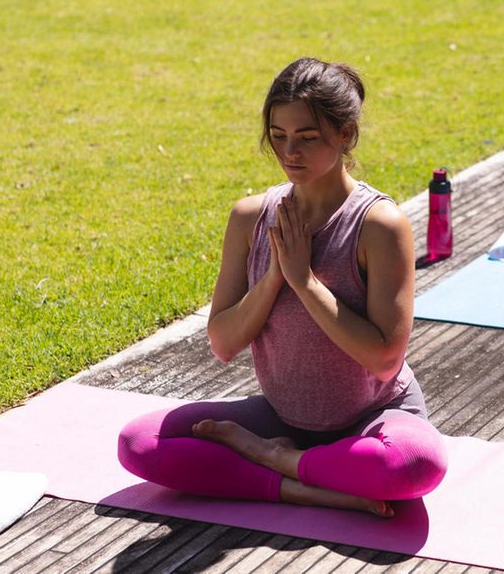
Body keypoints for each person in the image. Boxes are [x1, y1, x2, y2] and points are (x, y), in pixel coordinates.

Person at [117, 58, 447, 517]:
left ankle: (275, 460)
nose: (290, 152)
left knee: (414, 465)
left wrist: (305, 281)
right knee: (139, 443)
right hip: (282, 418)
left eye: (308, 138)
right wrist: (275, 274)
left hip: (371, 421)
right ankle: (305, 485)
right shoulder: (250, 218)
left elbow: (384, 357)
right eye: (278, 136)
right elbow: (224, 342)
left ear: (346, 134)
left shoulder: (378, 224)